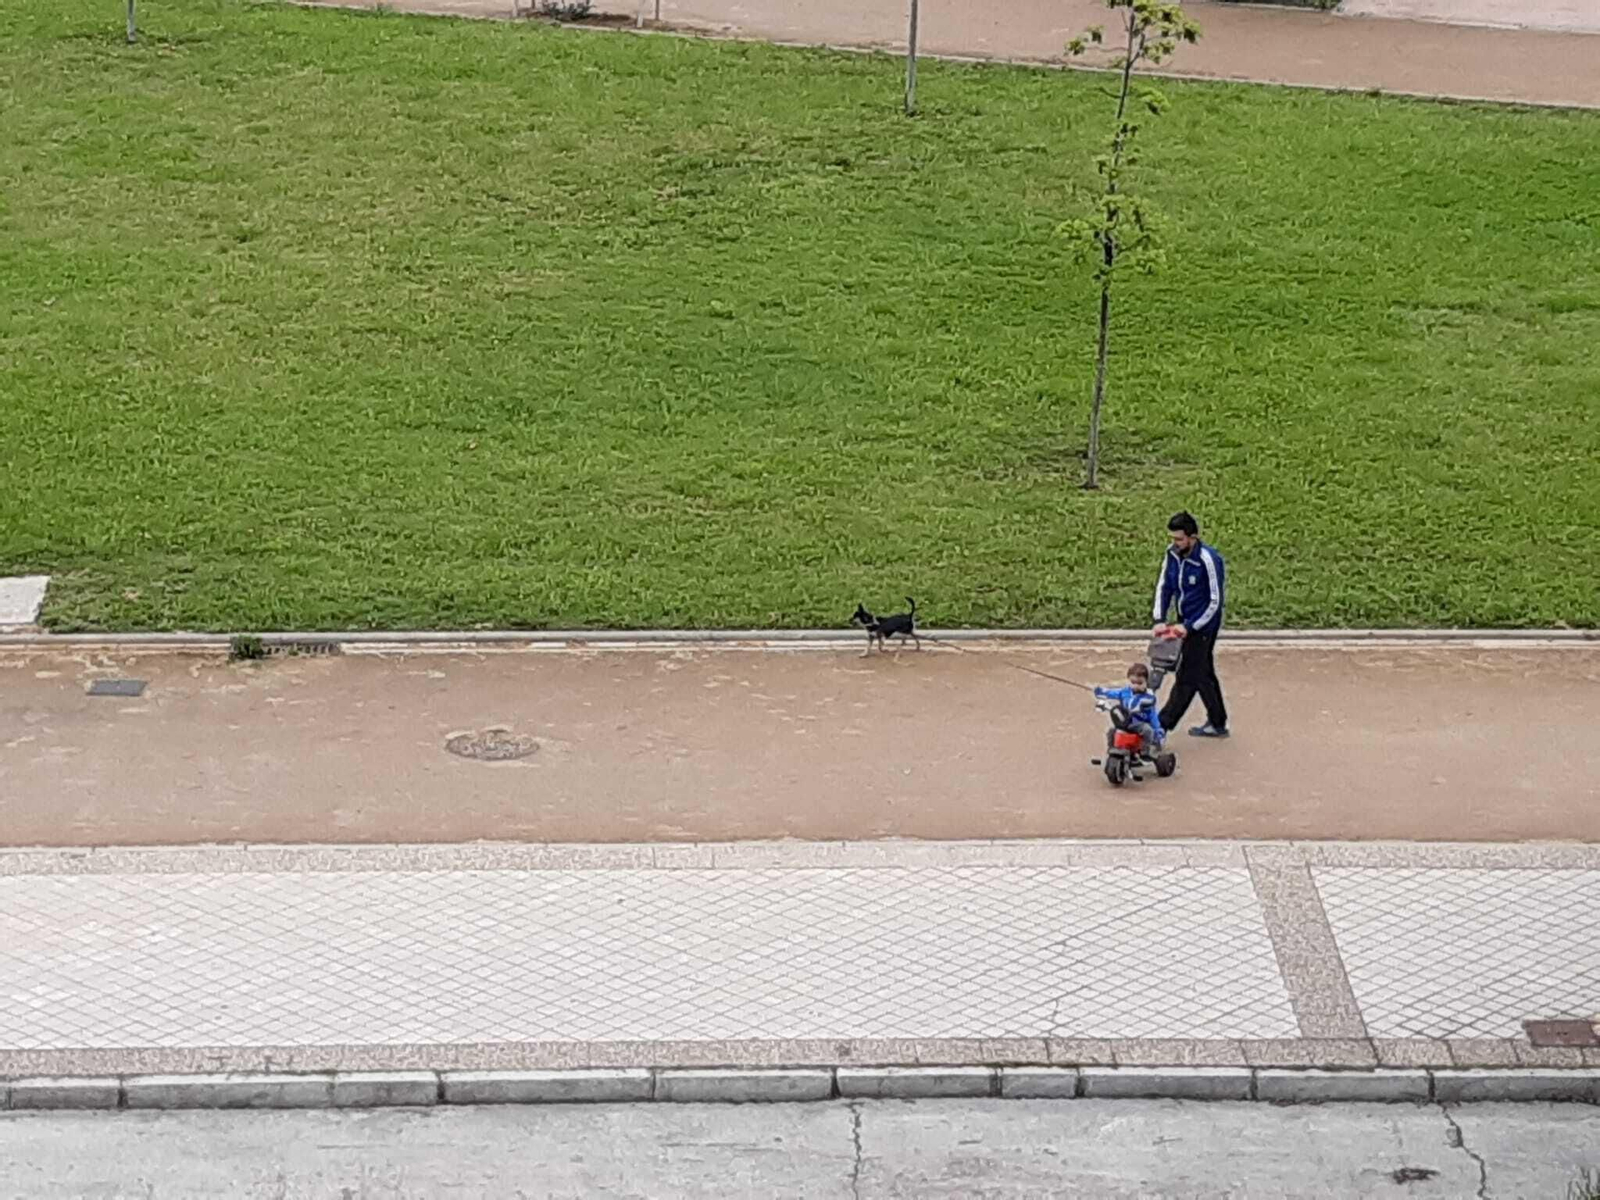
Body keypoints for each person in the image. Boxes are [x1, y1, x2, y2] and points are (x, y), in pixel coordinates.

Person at [1152, 511, 1230, 738]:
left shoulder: (1208, 559)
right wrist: (1159, 619)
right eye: (1173, 539)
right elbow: (1164, 586)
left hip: (1204, 626)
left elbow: (1215, 601)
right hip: (1182, 621)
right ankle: (1217, 722)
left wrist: (1191, 626)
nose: (1174, 544)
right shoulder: (1172, 554)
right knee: (1203, 672)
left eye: (1179, 539)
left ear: (1192, 537)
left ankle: (1161, 726)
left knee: (1187, 677)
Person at [1094, 662, 1164, 757]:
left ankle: (1145, 751)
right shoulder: (1125, 692)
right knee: (1111, 731)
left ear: (1146, 682)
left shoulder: (1148, 697)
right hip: (1125, 721)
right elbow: (1113, 693)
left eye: (1140, 683)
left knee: (1148, 731)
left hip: (1139, 723)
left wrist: (1157, 729)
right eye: (1133, 682)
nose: (1135, 686)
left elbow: (1153, 715)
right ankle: (1112, 749)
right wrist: (1101, 692)